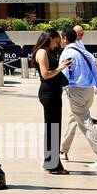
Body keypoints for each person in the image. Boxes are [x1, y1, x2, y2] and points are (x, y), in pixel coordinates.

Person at [58, 26, 97, 169]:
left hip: (76, 91)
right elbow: (96, 72)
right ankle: (63, 150)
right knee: (74, 118)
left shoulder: (67, 53)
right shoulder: (85, 52)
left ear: (64, 38)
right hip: (89, 91)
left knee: (85, 123)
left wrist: (58, 92)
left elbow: (64, 75)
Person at [34, 30, 72, 173]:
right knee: (53, 128)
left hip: (53, 92)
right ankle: (53, 164)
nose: (57, 45)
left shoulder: (47, 52)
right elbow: (45, 74)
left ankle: (50, 162)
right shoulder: (42, 52)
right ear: (49, 38)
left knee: (53, 128)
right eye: (56, 42)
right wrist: (60, 68)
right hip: (49, 92)